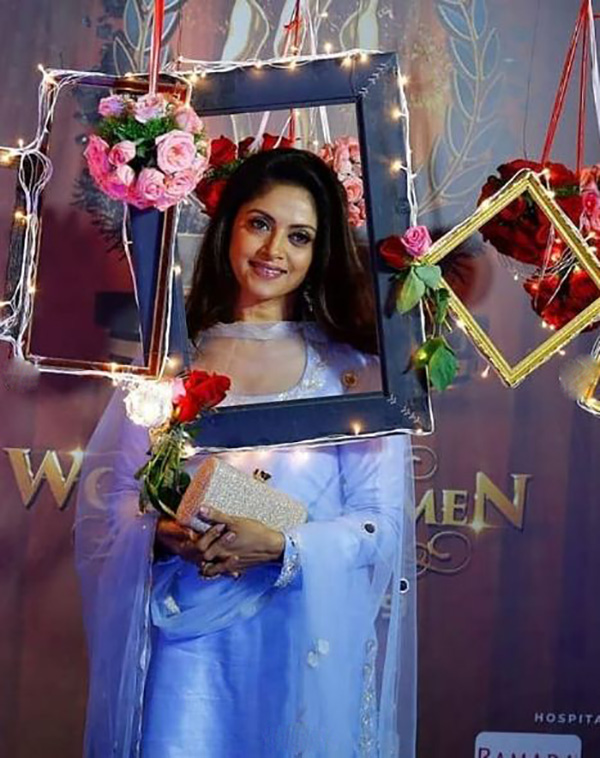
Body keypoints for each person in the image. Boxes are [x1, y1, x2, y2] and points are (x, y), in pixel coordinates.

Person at [75, 148, 416, 757]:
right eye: (260, 223)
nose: (273, 250)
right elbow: (117, 501)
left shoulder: (353, 377)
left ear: (320, 252)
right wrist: (161, 535)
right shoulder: (171, 367)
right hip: (188, 654)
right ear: (229, 225)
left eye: (299, 236)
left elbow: (383, 526)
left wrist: (283, 545)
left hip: (301, 646)